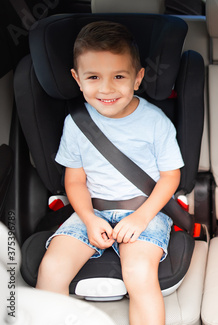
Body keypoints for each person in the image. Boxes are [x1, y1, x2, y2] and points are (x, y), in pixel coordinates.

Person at [36, 21, 184, 325]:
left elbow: (171, 176)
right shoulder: (76, 124)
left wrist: (140, 217)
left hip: (145, 210)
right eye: (93, 77)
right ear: (77, 79)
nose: (106, 88)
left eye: (119, 76)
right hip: (93, 210)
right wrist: (89, 219)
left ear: (138, 77)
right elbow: (74, 180)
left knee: (139, 273)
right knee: (51, 268)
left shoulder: (155, 123)